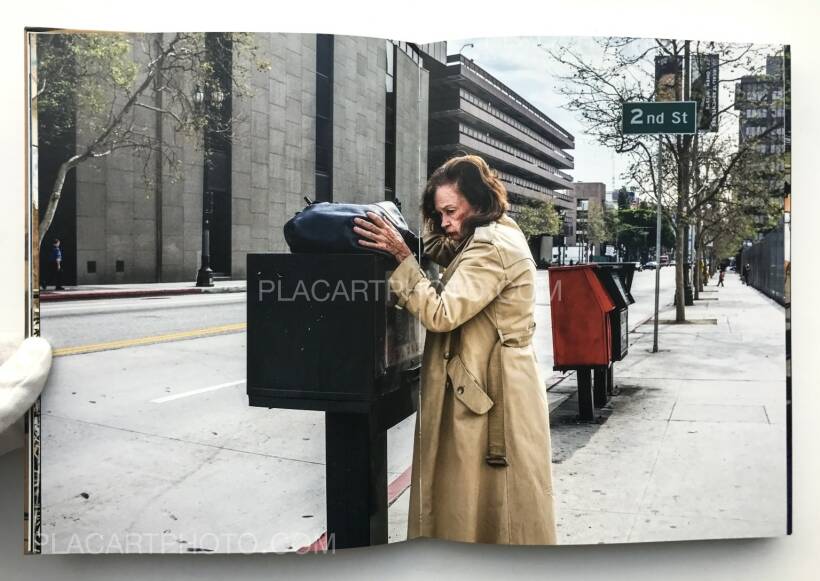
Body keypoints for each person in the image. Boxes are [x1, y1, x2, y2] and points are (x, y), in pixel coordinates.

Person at [353, 154, 557, 545]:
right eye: (439, 212)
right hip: (486, 386)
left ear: (478, 202)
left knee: (489, 505)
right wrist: (419, 222)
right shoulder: (486, 234)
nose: (445, 221)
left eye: (450, 210)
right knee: (480, 505)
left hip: (490, 393)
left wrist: (400, 256)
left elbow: (442, 313)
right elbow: (440, 247)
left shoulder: (490, 247)